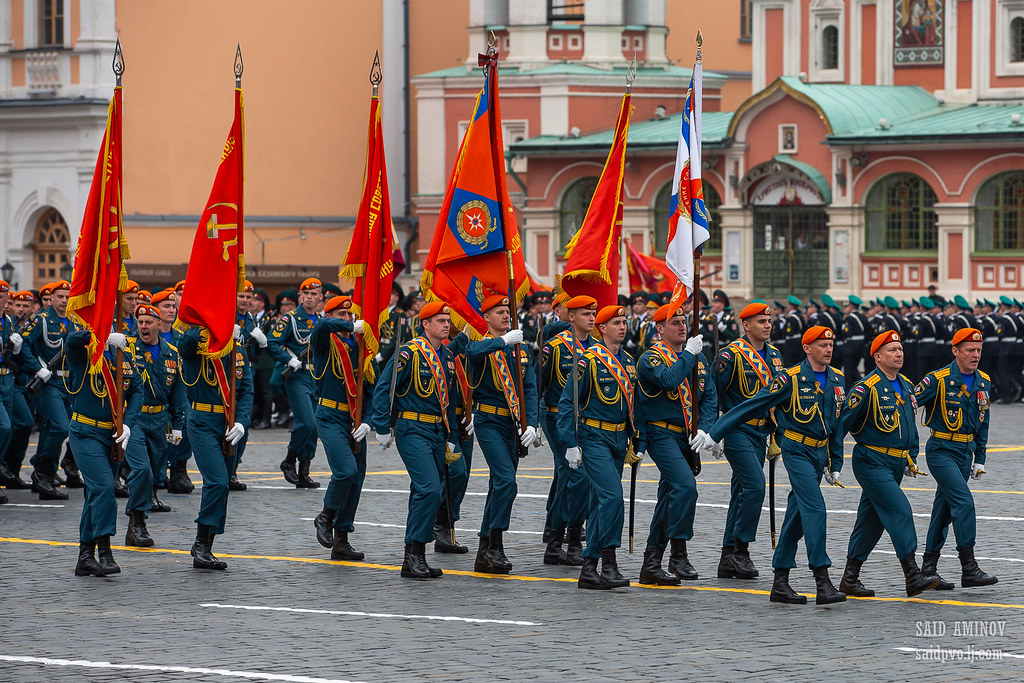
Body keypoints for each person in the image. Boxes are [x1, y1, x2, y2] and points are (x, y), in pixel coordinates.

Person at [712, 326, 847, 604]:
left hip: (820, 454)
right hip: (797, 450)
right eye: (822, 345)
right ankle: (822, 580)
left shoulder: (837, 379)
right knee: (815, 508)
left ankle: (780, 580)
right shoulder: (791, 378)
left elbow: (837, 423)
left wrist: (836, 460)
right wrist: (715, 432)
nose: (829, 349)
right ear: (807, 348)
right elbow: (752, 405)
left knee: (796, 517)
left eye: (831, 344)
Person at [838, 331, 940, 598]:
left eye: (900, 349)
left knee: (870, 521)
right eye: (892, 350)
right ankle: (912, 575)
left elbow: (910, 426)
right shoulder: (865, 388)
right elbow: (842, 427)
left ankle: (850, 578)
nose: (899, 353)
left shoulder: (906, 385)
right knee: (900, 510)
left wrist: (911, 455)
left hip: (895, 463)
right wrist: (832, 460)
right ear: (877, 356)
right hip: (871, 461)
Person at [370, 301, 464, 579]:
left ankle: (413, 557)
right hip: (412, 429)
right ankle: (415, 553)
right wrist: (382, 426)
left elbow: (451, 401)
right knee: (429, 489)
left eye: (448, 320)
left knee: (422, 493)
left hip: (437, 431)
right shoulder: (409, 353)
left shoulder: (446, 355)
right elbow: (385, 387)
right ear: (425, 324)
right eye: (440, 320)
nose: (446, 325)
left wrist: (451, 436)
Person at [557, 304, 640, 590]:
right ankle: (609, 562)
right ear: (602, 329)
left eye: (624, 321)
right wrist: (569, 442)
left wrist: (635, 438)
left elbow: (633, 405)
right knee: (612, 498)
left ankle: (589, 567)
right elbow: (569, 401)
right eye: (616, 322)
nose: (622, 326)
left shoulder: (629, 361)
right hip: (594, 437)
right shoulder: (589, 360)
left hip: (618, 439)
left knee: (599, 502)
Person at [636, 303, 716, 585]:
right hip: (661, 434)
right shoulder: (651, 358)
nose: (682, 326)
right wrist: (690, 356)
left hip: (687, 437)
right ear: (659, 329)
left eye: (684, 321)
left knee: (668, 498)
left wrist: (705, 428)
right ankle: (678, 552)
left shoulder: (697, 358)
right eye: (675, 323)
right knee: (685, 487)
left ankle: (652, 562)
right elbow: (669, 381)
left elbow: (709, 397)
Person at [916, 328, 998, 590]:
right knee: (963, 502)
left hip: (965, 453)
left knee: (944, 510)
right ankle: (969, 567)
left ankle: (928, 569)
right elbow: (906, 406)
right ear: (956, 351)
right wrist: (906, 447)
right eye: (970, 350)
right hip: (941, 450)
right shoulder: (937, 380)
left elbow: (983, 422)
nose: (976, 355)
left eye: (979, 350)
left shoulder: (983, 380)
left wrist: (980, 457)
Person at [465, 294, 538, 575]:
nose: (506, 316)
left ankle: (487, 550)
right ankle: (495, 543)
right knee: (507, 482)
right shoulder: (485, 344)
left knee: (499, 484)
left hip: (513, 424)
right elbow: (472, 353)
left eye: (508, 311)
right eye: (499, 312)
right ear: (486, 317)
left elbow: (530, 387)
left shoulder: (518, 348)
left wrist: (531, 423)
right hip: (489, 421)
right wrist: (502, 342)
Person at [713, 302, 785, 580]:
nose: (767, 325)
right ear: (746, 325)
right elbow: (714, 394)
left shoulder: (775, 356)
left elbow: (779, 397)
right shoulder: (730, 356)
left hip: (760, 433)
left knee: (741, 493)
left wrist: (777, 433)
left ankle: (727, 556)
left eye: (769, 320)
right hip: (737, 430)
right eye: (760, 321)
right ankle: (742, 550)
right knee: (755, 487)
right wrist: (714, 430)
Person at [177, 323, 253, 570]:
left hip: (229, 424)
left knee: (223, 486)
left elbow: (246, 390)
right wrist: (210, 331)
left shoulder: (238, 350)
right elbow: (185, 343)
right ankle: (200, 544)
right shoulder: (197, 346)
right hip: (202, 421)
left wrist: (242, 421)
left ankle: (206, 545)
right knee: (217, 481)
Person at [64, 328, 139, 576]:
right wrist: (100, 338)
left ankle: (85, 556)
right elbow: (72, 341)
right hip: (86, 431)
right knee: (105, 488)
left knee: (95, 494)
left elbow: (137, 388)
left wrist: (129, 422)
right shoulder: (84, 355)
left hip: (113, 434)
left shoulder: (122, 355)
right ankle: (104, 550)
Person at [309, 295, 373, 562]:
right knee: (345, 471)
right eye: (341, 315)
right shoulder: (326, 341)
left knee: (356, 478)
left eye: (350, 315)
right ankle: (324, 516)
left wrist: (370, 420)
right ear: (329, 315)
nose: (347, 319)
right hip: (330, 414)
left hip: (355, 419)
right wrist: (343, 326)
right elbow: (321, 329)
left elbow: (372, 386)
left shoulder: (361, 344)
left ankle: (342, 538)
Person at [538, 294, 596, 565]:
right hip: (556, 418)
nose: (592, 318)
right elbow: (540, 385)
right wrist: (535, 423)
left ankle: (556, 540)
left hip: (585, 422)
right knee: (577, 475)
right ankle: (571, 540)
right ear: (570, 317)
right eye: (585, 313)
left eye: (594, 313)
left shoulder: (597, 348)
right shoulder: (554, 347)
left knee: (570, 478)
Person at [129, 304, 186, 527]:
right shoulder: (127, 348)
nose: (143, 326)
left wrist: (178, 423)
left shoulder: (172, 353)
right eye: (140, 322)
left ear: (159, 325)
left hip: (160, 418)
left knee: (155, 466)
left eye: (148, 322)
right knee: (141, 468)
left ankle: (149, 498)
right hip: (135, 419)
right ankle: (137, 519)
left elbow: (178, 393)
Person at [25, 280, 78, 500]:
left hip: (69, 385)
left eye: (67, 296)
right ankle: (42, 470)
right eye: (60, 296)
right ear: (52, 298)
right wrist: (37, 369)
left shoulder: (76, 322)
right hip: (48, 383)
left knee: (51, 428)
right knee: (60, 427)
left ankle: (44, 477)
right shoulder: (43, 320)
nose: (64, 301)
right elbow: (23, 345)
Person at [268, 278, 323, 488]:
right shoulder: (290, 319)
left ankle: (304, 471)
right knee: (306, 422)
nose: (309, 297)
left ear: (320, 297)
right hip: (298, 376)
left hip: (316, 377)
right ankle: (289, 460)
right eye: (305, 293)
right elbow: (272, 342)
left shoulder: (321, 320)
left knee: (315, 426)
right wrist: (288, 360)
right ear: (301, 296)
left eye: (313, 294)